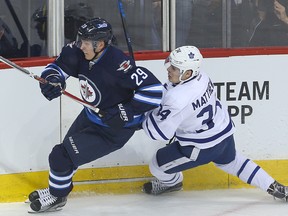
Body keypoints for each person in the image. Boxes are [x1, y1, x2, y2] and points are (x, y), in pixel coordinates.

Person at [26, 17, 163, 213]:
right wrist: (52, 80)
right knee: (67, 157)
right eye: (80, 40)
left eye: (85, 42)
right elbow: (56, 67)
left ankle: (57, 197)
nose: (80, 46)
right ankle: (56, 191)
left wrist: (125, 111)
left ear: (100, 44)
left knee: (61, 156)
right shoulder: (78, 52)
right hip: (89, 116)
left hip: (113, 130)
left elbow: (154, 91)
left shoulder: (119, 64)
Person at [141, 45, 288, 202]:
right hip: (224, 135)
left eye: (174, 68)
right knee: (235, 162)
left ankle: (172, 183)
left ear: (187, 73)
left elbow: (158, 133)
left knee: (156, 165)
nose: (169, 69)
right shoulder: (202, 77)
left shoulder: (178, 99)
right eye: (171, 64)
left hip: (200, 148)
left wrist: (143, 115)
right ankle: (275, 187)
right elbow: (171, 93)